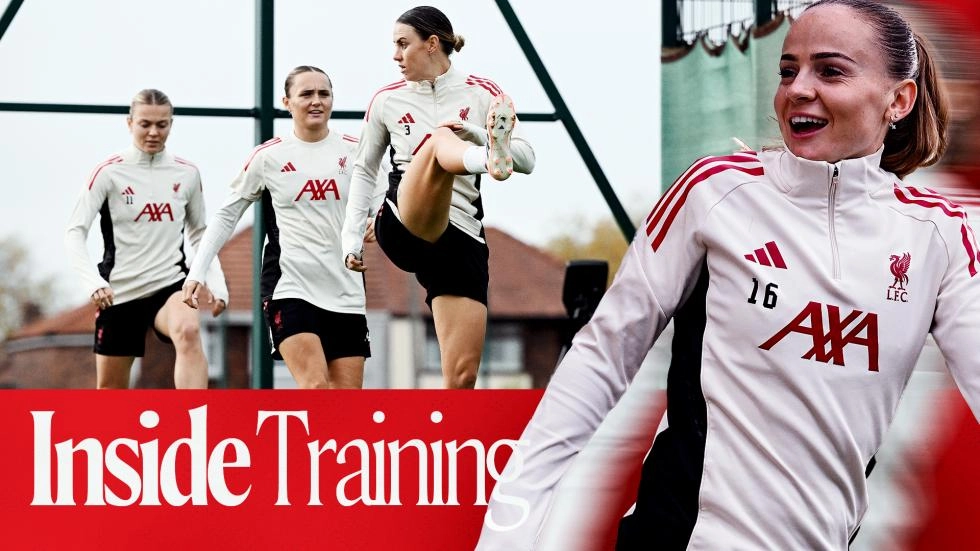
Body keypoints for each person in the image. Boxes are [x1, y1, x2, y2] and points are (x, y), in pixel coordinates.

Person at [477, 1, 979, 549]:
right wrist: (508, 532)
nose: (798, 89)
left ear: (898, 99)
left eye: (830, 70)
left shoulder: (939, 232)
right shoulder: (716, 190)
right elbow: (600, 359)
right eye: (789, 70)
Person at [340, 5, 535, 389]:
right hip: (404, 224)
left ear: (431, 44)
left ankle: (450, 441)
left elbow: (526, 159)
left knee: (461, 377)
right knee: (439, 140)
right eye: (394, 45)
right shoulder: (387, 100)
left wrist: (477, 132)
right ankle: (482, 158)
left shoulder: (483, 93)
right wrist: (351, 241)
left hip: (461, 236)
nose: (395, 55)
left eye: (402, 44)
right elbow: (363, 170)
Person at [182, 66, 370, 389]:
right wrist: (197, 272)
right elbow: (226, 215)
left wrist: (374, 222)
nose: (316, 101)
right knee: (316, 388)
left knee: (346, 407)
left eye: (324, 94)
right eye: (306, 94)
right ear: (287, 102)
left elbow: (382, 200)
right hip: (290, 286)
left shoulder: (355, 151)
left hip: (346, 289)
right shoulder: (268, 157)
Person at [65, 88, 228, 390]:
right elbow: (74, 232)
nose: (153, 132)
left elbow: (199, 232)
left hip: (170, 285)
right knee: (111, 393)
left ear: (171, 124)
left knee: (189, 330)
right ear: (130, 123)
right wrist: (93, 283)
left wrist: (215, 283)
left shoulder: (187, 173)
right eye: (145, 124)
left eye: (162, 125)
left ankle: (199, 425)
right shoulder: (108, 172)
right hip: (119, 291)